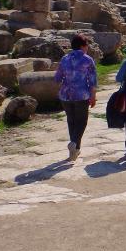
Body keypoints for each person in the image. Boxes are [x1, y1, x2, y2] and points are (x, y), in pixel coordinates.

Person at [53, 33, 98, 161]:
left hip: (65, 95)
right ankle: (74, 143)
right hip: (81, 95)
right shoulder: (87, 59)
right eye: (87, 45)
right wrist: (93, 96)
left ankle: (75, 151)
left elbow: (57, 78)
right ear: (83, 46)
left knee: (71, 121)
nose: (88, 47)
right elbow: (93, 81)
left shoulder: (64, 59)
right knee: (82, 121)